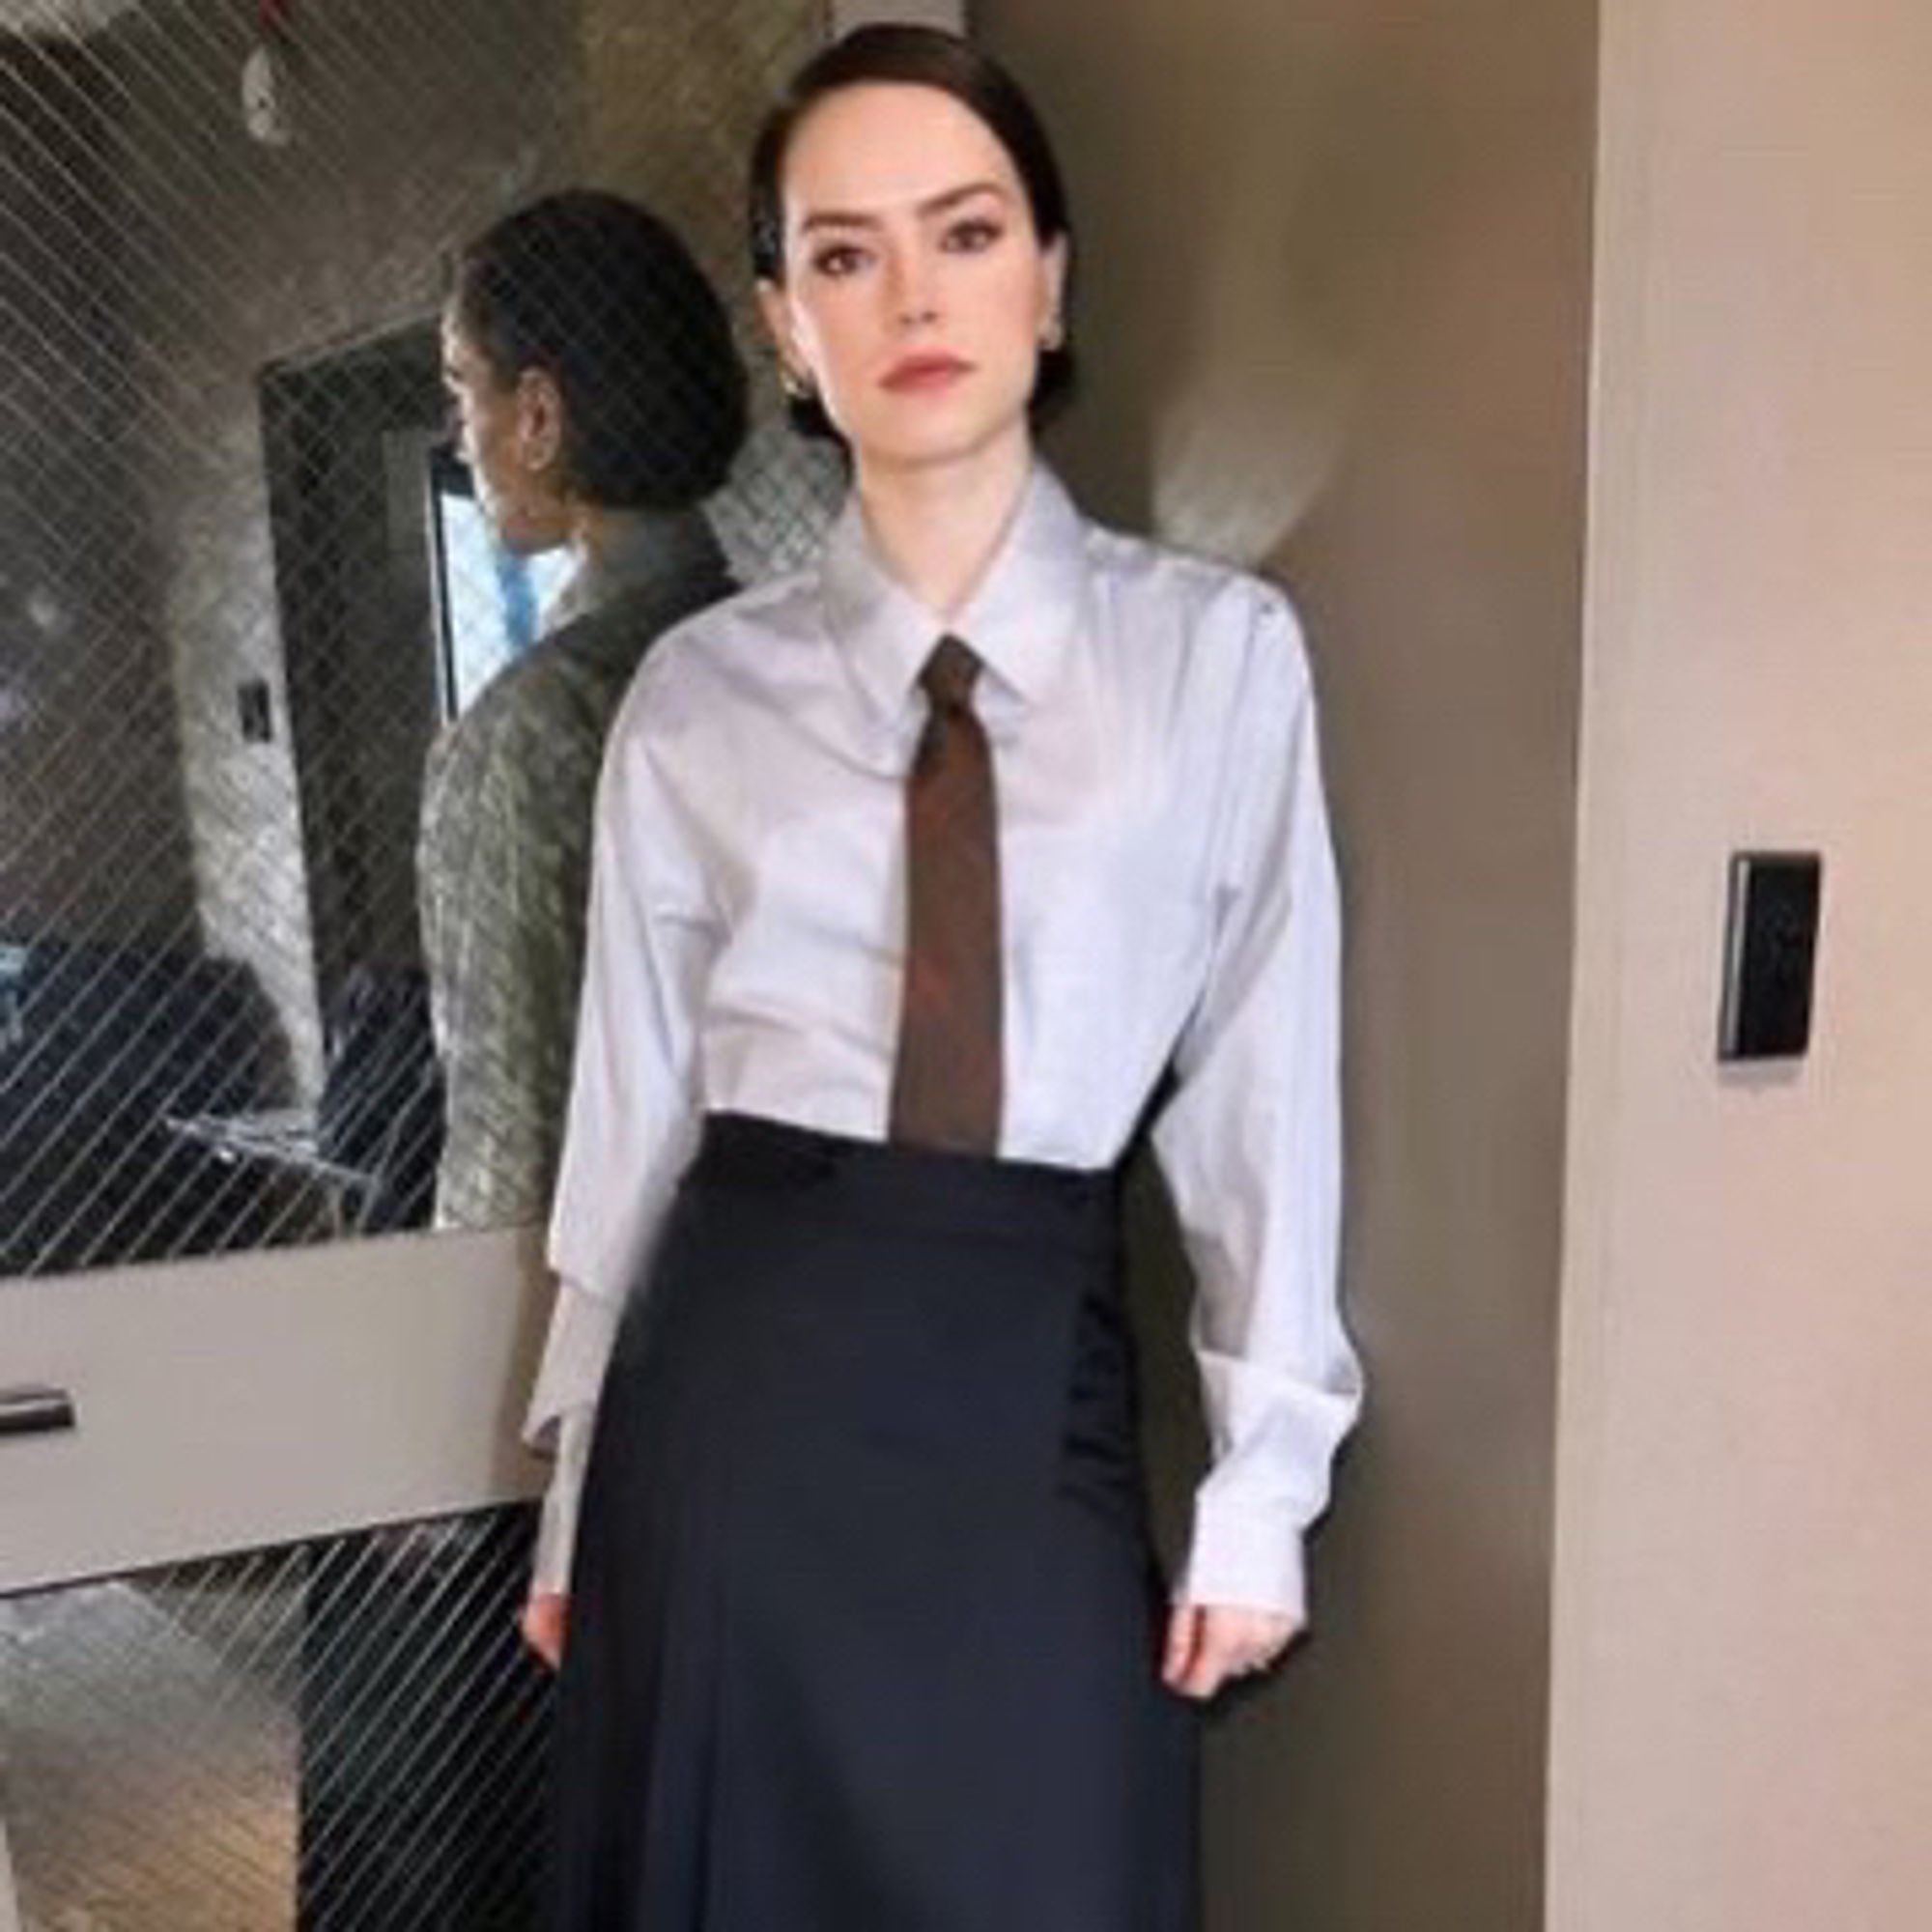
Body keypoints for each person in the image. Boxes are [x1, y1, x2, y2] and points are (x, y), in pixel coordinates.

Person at [523, 25, 1363, 1929]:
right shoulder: (693, 699)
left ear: (1050, 280)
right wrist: (579, 1484)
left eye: (965, 232)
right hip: (732, 1404)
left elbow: (1263, 1085)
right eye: (841, 253)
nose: (911, 294)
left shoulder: (1219, 659)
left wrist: (1266, 1485)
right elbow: (631, 1119)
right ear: (784, 323)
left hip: (1022, 1385)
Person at [420, 189, 747, 1232]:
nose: (457, 433)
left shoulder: (538, 725)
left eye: (462, 386)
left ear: (539, 416)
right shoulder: (803, 668)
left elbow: (510, 1134)